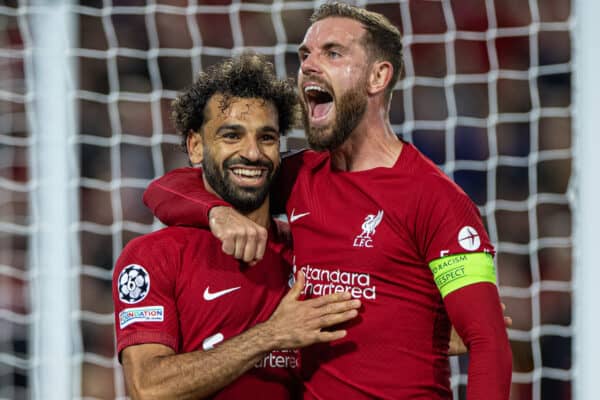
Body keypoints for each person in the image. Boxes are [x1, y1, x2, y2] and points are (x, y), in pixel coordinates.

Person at [143, 3, 513, 399]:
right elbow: (165, 189)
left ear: (378, 76)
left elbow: (489, 344)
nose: (309, 67)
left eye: (332, 53)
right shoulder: (302, 176)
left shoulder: (438, 200)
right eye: (305, 55)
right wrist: (215, 212)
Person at [112, 54, 363, 399]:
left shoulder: (308, 251)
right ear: (196, 146)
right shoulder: (152, 257)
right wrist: (272, 335)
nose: (252, 152)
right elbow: (148, 388)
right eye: (231, 136)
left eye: (267, 138)